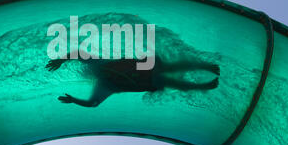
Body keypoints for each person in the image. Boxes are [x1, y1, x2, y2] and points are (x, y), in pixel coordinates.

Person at [46, 50, 220, 107]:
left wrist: (61, 59)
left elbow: (78, 53)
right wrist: (73, 100)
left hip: (144, 68)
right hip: (146, 80)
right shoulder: (103, 85)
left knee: (171, 68)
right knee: (173, 80)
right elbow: (93, 104)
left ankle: (207, 67)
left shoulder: (97, 64)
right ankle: (206, 84)